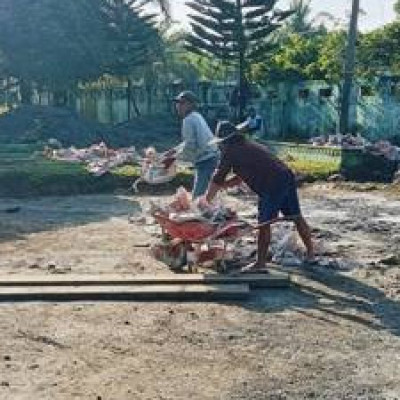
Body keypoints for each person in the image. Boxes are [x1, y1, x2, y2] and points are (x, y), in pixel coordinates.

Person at [206, 121, 314, 272]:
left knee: (264, 223)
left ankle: (260, 263)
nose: (220, 146)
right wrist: (226, 184)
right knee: (296, 216)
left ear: (225, 141)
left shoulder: (230, 151)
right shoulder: (247, 145)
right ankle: (310, 253)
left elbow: (217, 179)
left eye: (220, 143)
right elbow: (242, 175)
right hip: (285, 175)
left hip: (272, 183)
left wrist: (204, 203)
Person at [171, 90, 220, 198]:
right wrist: (174, 150)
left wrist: (174, 157)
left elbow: (190, 145)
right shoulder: (196, 116)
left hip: (206, 160)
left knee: (198, 198)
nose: (178, 106)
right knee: (206, 196)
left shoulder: (188, 120)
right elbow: (188, 142)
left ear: (191, 105)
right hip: (210, 157)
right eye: (177, 103)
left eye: (182, 103)